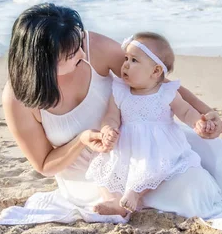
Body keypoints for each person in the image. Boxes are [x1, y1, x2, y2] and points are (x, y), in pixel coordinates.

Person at [1, 3, 222, 218]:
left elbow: (157, 83)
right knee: (169, 195)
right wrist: (81, 140)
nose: (82, 54)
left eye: (80, 45)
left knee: (215, 163)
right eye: (72, 55)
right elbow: (44, 165)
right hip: (90, 178)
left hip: (144, 149)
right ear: (44, 61)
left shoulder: (93, 46)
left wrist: (205, 112)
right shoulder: (16, 99)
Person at [86, 32, 209, 215]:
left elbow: (185, 111)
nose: (125, 64)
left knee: (155, 166)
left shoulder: (166, 92)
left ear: (156, 71)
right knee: (104, 170)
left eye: (134, 60)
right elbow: (111, 115)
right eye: (126, 58)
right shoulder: (120, 90)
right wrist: (108, 128)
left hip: (158, 146)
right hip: (128, 145)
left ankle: (135, 193)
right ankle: (112, 199)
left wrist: (197, 122)